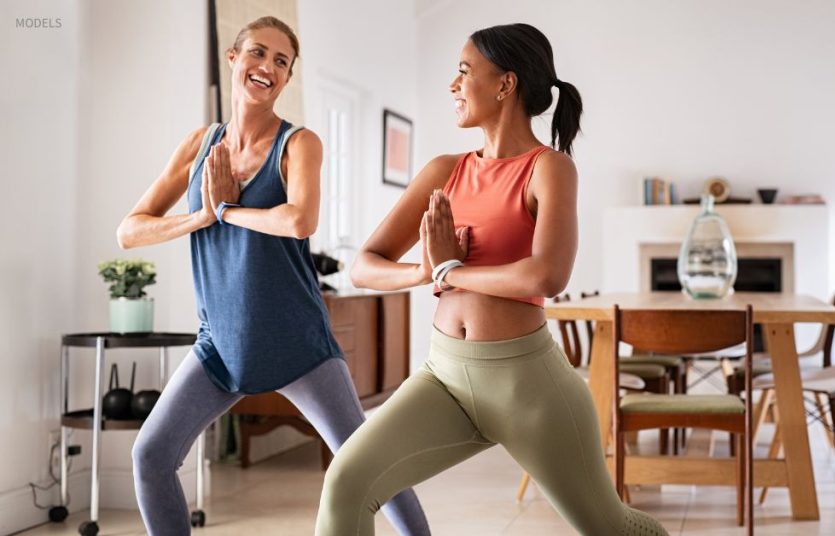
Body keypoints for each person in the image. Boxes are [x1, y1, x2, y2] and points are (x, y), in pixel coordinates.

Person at [315, 23, 668, 536]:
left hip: (530, 389)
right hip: (444, 378)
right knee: (346, 481)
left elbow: (548, 274)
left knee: (608, 526)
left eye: (464, 71)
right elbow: (364, 264)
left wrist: (453, 270)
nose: (453, 84)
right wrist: (427, 270)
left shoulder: (549, 169)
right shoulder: (444, 171)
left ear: (505, 84)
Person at [115, 16, 429, 535]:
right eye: (258, 53)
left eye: (281, 62)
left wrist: (228, 212)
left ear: (286, 79)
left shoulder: (299, 144)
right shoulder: (199, 145)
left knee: (370, 465)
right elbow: (129, 230)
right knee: (150, 455)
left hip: (297, 343)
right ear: (233, 59)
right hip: (220, 345)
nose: (267, 67)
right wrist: (200, 215)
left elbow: (300, 220)